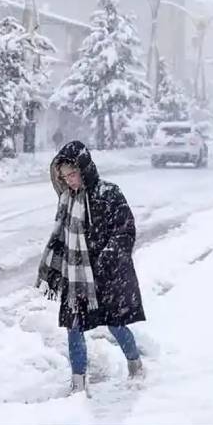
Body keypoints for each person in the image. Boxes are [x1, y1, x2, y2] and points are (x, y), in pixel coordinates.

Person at [34, 140, 146, 396]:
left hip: (109, 275)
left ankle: (135, 364)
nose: (70, 180)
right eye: (65, 176)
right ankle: (78, 384)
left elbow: (126, 230)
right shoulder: (67, 200)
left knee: (115, 324)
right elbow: (63, 236)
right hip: (77, 277)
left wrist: (108, 258)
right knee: (73, 326)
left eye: (73, 174)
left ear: (84, 169)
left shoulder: (109, 193)